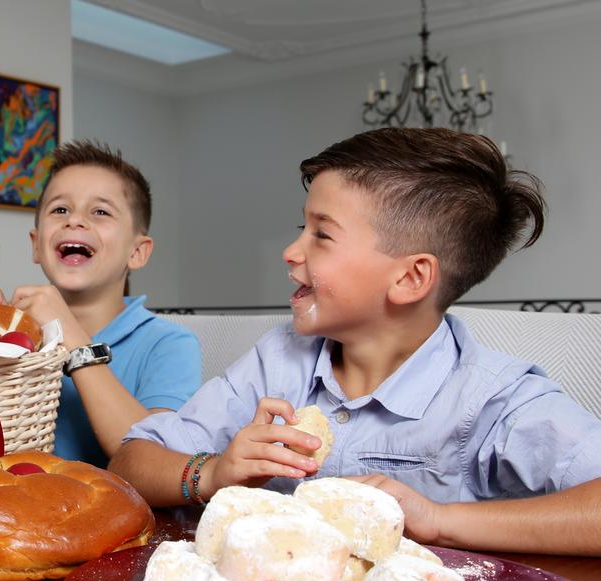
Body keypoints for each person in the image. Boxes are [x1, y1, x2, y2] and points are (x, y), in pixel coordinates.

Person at [111, 127, 601, 556]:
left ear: (410, 279)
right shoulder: (279, 362)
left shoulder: (492, 399)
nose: (291, 250)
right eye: (301, 227)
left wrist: (438, 520)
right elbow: (131, 463)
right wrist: (214, 473)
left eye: (321, 235)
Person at [0, 140, 200, 467]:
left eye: (100, 211)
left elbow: (160, 461)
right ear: (36, 244)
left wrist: (72, 336)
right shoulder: (13, 335)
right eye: (60, 209)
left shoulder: (169, 345)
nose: (75, 221)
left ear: (137, 252)